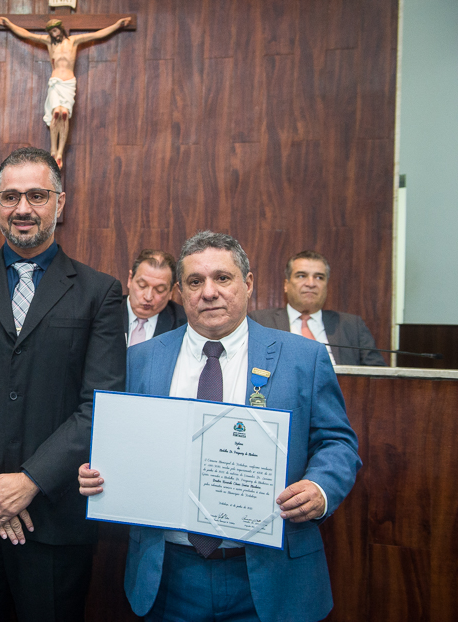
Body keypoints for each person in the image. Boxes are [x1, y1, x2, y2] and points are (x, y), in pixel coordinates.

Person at [79, 231, 361, 622]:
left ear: (248, 283)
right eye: (195, 282)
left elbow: (338, 443)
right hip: (168, 575)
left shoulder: (303, 357)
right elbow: (122, 444)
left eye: (222, 278)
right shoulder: (141, 359)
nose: (209, 292)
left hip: (271, 573)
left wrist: (320, 488)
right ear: (181, 292)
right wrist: (99, 471)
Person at [0, 147, 127, 622]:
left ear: (60, 202)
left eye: (37, 195)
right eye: (10, 196)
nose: (23, 208)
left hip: (54, 519)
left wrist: (31, 480)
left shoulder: (100, 292)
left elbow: (101, 402)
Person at [0, 15, 131, 167]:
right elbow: (26, 34)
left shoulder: (73, 41)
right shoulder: (49, 42)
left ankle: (60, 152)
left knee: (64, 115)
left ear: (60, 29)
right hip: (55, 82)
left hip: (68, 83)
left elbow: (97, 34)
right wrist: (9, 24)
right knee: (56, 113)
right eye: (51, 32)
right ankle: (53, 149)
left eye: (55, 30)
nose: (54, 34)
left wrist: (117, 25)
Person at [249, 250, 385, 365]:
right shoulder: (259, 321)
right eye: (301, 276)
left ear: (326, 285)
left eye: (319, 277)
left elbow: (379, 376)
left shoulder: (352, 325)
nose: (311, 283)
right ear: (286, 285)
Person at [125, 249, 186, 346]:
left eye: (159, 290)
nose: (148, 297)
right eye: (142, 285)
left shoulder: (184, 325)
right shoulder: (106, 311)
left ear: (171, 291)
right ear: (130, 279)